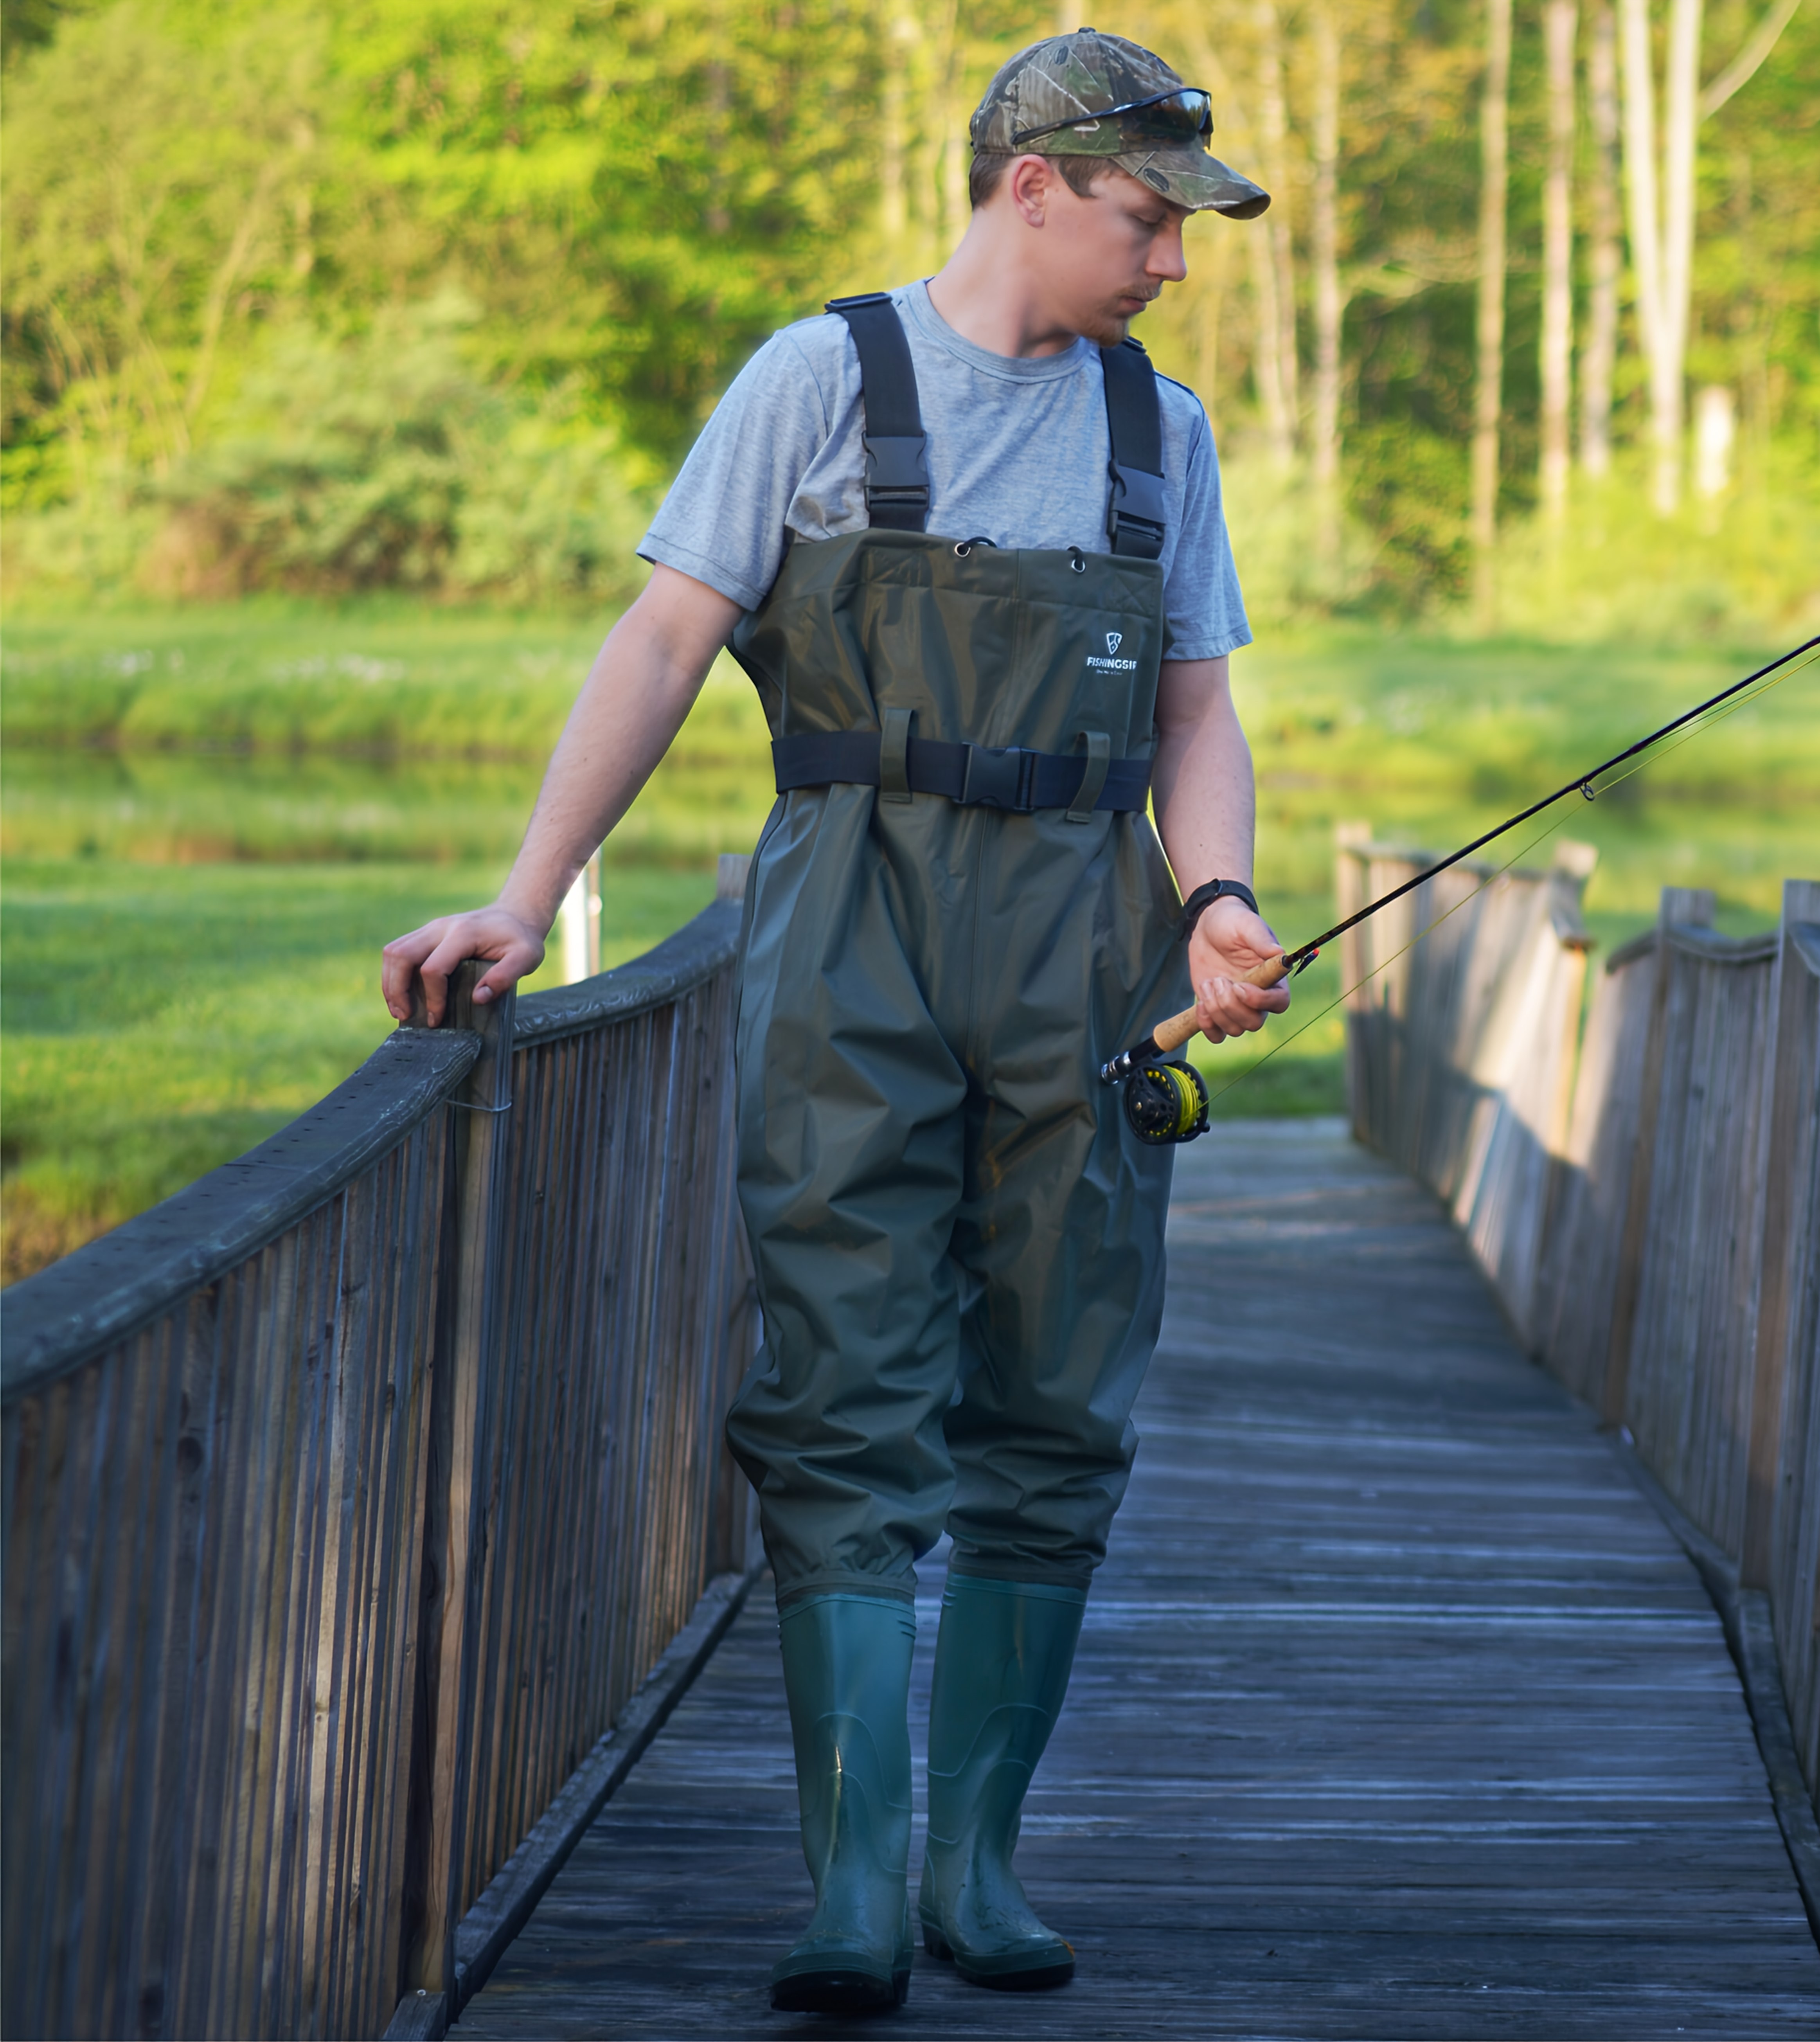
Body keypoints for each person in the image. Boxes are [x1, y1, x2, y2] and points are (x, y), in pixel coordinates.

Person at [381, 26, 1288, 2016]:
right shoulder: (819, 379)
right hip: (850, 933)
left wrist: (1216, 904)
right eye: (1147, 221)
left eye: (1184, 230)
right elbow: (666, 639)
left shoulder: (1167, 435)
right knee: (845, 1390)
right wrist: (522, 904)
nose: (1170, 264)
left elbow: (1198, 715)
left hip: (1089, 958)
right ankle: (854, 1892)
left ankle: (978, 1868)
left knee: (1060, 1398)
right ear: (1030, 188)